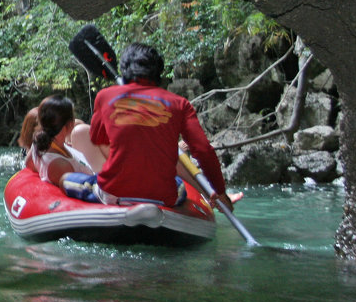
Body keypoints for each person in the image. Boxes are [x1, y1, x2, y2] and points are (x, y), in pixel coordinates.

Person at [63, 42, 233, 210]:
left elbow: (98, 138)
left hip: (114, 194)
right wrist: (220, 190)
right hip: (165, 198)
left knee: (66, 180)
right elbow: (204, 151)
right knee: (178, 185)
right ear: (159, 70)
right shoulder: (180, 104)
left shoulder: (105, 96)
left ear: (124, 69)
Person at [26, 95, 91, 187]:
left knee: (80, 125)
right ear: (69, 125)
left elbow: (29, 164)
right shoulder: (61, 165)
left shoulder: (38, 143)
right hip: (95, 184)